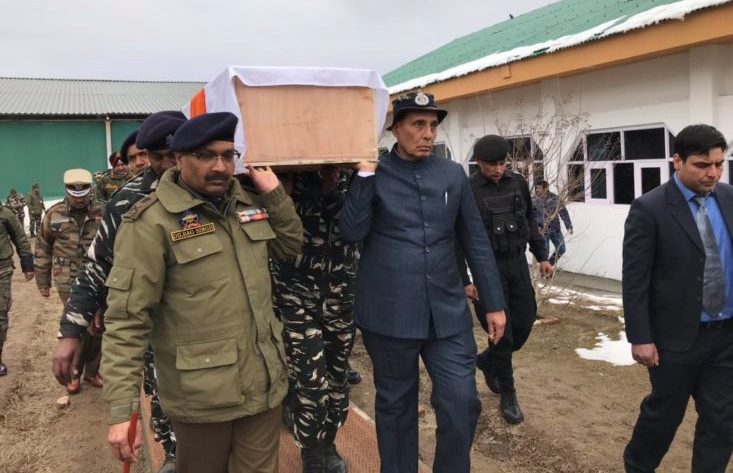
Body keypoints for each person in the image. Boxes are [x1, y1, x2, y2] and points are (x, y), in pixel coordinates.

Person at [102, 112, 303, 473]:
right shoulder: (150, 223)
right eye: (206, 155)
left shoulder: (244, 204)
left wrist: (273, 193)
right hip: (202, 398)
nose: (221, 167)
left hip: (263, 386)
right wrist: (122, 411)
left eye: (228, 155)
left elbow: (289, 244)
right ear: (178, 160)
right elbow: (126, 321)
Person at [340, 91, 506, 473]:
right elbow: (351, 233)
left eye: (432, 125)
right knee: (396, 406)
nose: (428, 133)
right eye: (418, 124)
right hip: (390, 313)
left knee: (462, 401)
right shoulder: (373, 173)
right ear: (395, 129)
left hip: (447, 313)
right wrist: (364, 175)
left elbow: (476, 241)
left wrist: (493, 304)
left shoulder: (452, 175)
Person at [52, 110, 186, 473]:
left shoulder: (214, 192)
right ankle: (172, 454)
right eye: (158, 157)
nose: (168, 165)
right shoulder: (128, 200)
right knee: (160, 388)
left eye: (176, 155)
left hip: (207, 319)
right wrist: (71, 329)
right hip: (153, 320)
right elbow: (97, 265)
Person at [622, 124, 733, 473]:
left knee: (722, 419)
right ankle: (638, 465)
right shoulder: (649, 209)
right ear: (677, 161)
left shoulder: (730, 198)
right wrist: (640, 336)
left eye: (719, 163)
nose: (713, 173)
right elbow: (635, 279)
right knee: (664, 415)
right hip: (674, 339)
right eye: (702, 165)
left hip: (726, 335)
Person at [461, 135, 553, 425]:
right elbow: (457, 237)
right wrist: (464, 278)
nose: (499, 169)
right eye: (492, 165)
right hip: (487, 269)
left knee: (524, 323)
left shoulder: (518, 183)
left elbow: (529, 221)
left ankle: (488, 361)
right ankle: (508, 393)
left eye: (503, 163)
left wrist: (542, 256)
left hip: (516, 262)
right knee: (501, 332)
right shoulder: (468, 190)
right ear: (478, 163)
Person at [271, 168, 357, 472]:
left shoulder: (357, 175)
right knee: (311, 380)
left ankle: (328, 442)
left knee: (337, 378)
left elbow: (356, 226)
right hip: (295, 294)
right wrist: (278, 192)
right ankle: (312, 453)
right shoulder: (282, 176)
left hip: (340, 293)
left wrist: (332, 187)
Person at [36, 169, 104, 393]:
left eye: (83, 192)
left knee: (98, 326)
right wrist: (42, 281)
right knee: (77, 327)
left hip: (98, 278)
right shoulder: (53, 214)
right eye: (74, 193)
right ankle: (74, 373)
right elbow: (43, 248)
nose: (79, 197)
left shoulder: (102, 211)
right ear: (67, 191)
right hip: (67, 281)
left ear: (90, 190)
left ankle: (92, 372)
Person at [0, 201, 34, 376]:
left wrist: (27, 264)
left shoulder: (5, 213)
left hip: (1, 269)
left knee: (0, 313)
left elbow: (20, 237)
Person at [532, 179, 573, 265]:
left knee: (561, 249)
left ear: (546, 188)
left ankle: (550, 265)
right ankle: (544, 272)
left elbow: (563, 212)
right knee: (544, 253)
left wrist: (569, 226)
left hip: (555, 229)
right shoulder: (534, 200)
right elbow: (531, 216)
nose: (537, 190)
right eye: (536, 188)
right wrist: (536, 227)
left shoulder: (555, 198)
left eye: (539, 188)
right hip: (542, 231)